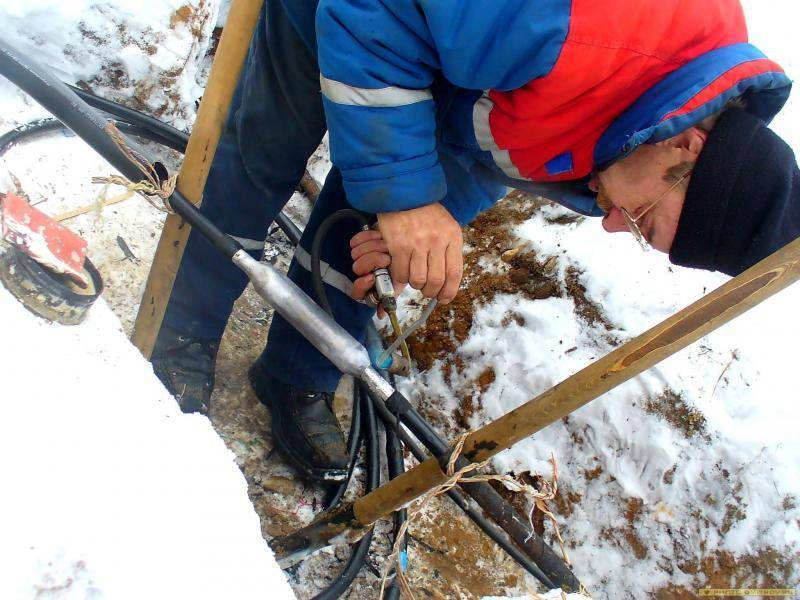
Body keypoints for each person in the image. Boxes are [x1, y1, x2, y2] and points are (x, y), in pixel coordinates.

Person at [152, 0, 798, 483]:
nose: (610, 223)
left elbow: (506, 144)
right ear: (689, 146)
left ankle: (297, 373)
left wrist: (426, 216)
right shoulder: (586, 23)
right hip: (356, 13)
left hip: (449, 68)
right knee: (258, 162)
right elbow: (370, 7)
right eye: (642, 218)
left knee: (370, 229)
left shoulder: (664, 117)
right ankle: (182, 330)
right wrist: (406, 196)